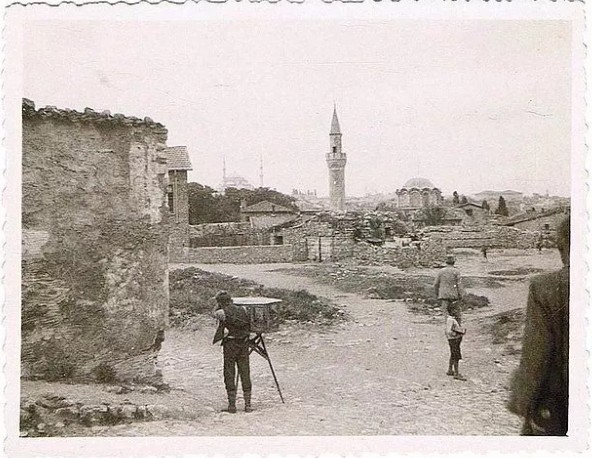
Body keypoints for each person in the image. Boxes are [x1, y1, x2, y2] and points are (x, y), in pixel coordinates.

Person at [507, 216, 569, 435]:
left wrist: (523, 402)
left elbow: (536, 353)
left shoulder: (545, 287)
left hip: (562, 401)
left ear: (562, 247)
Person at [212, 291, 253, 413]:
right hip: (244, 343)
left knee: (229, 372)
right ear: (231, 300)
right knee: (245, 371)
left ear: (220, 303)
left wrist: (217, 305)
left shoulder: (222, 312)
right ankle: (248, 405)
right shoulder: (244, 309)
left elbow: (213, 313)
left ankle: (232, 406)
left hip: (230, 345)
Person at [434, 254, 465, 324]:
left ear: (446, 262)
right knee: (457, 316)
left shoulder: (441, 271)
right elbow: (459, 285)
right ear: (454, 262)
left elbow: (436, 284)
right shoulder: (456, 271)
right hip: (454, 297)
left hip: (444, 297)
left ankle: (449, 331)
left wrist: (437, 295)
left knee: (446, 316)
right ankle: (458, 330)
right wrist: (461, 296)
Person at [445, 302, 466, 381]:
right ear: (453, 310)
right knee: (456, 356)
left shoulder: (450, 319)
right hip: (454, 340)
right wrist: (457, 334)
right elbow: (448, 331)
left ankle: (450, 370)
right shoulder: (451, 320)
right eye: (457, 310)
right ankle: (456, 374)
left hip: (452, 340)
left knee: (453, 354)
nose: (458, 311)